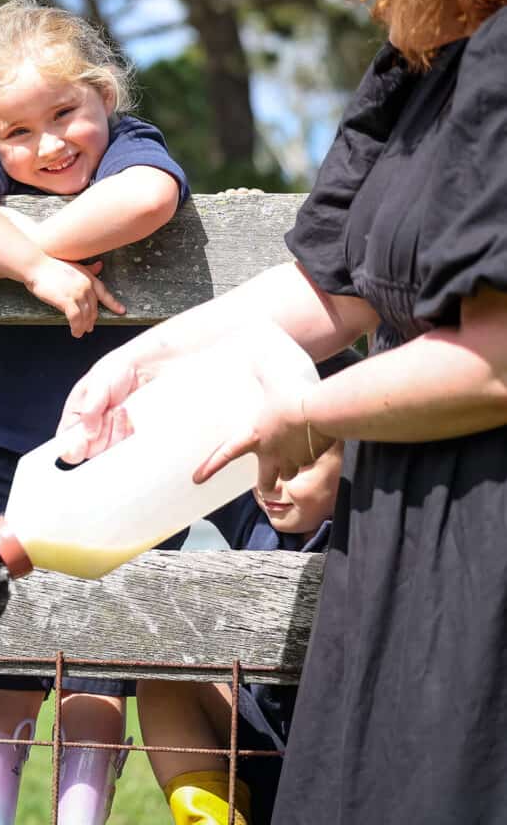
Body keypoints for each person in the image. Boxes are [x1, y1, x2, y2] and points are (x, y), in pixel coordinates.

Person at [56, 0, 507, 819]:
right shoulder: (417, 66)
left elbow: (494, 358)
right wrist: (145, 358)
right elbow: (330, 283)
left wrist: (303, 415)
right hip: (399, 538)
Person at [0, 0, 190, 825]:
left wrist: (17, 248)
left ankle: (80, 815)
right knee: (7, 654)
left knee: (101, 657)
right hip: (15, 465)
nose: (47, 145)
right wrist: (34, 268)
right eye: (15, 134)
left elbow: (147, 200)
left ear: (104, 94)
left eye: (65, 114)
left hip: (132, 471)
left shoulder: (131, 149)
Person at [138, 350, 360, 825]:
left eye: (297, 465)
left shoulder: (371, 529)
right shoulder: (254, 514)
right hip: (261, 744)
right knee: (163, 674)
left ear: (356, 458)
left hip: (349, 762)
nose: (271, 482)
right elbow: (192, 444)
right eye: (262, 457)